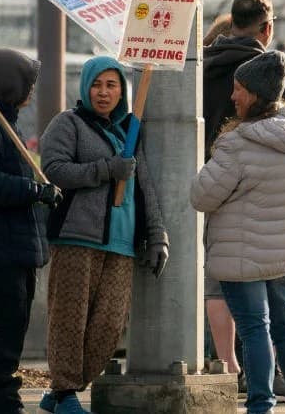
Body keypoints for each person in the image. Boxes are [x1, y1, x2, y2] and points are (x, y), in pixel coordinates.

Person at [202, 0, 285, 391]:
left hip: (217, 190)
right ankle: (284, 392)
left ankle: (228, 369)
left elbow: (200, 195)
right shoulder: (266, 72)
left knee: (219, 287)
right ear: (267, 28)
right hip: (268, 211)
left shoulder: (203, 63)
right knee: (278, 322)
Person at [38, 56, 169, 414]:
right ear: (85, 87)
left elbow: (145, 186)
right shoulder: (68, 123)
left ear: (122, 91)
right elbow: (55, 169)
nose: (103, 92)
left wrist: (157, 235)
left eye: (111, 85)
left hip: (122, 244)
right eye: (97, 85)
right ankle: (65, 393)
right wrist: (106, 169)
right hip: (76, 237)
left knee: (109, 327)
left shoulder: (130, 130)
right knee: (69, 319)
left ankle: (60, 392)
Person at [191, 50, 285, 414]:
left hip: (242, 255)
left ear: (255, 94)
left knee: (254, 330)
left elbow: (201, 195)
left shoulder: (237, 143)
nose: (233, 96)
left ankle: (261, 406)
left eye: (239, 89)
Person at [0, 48, 61, 414]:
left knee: (12, 330)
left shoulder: (9, 123)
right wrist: (35, 190)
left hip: (17, 249)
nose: (31, 91)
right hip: (2, 251)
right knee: (4, 333)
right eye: (26, 83)